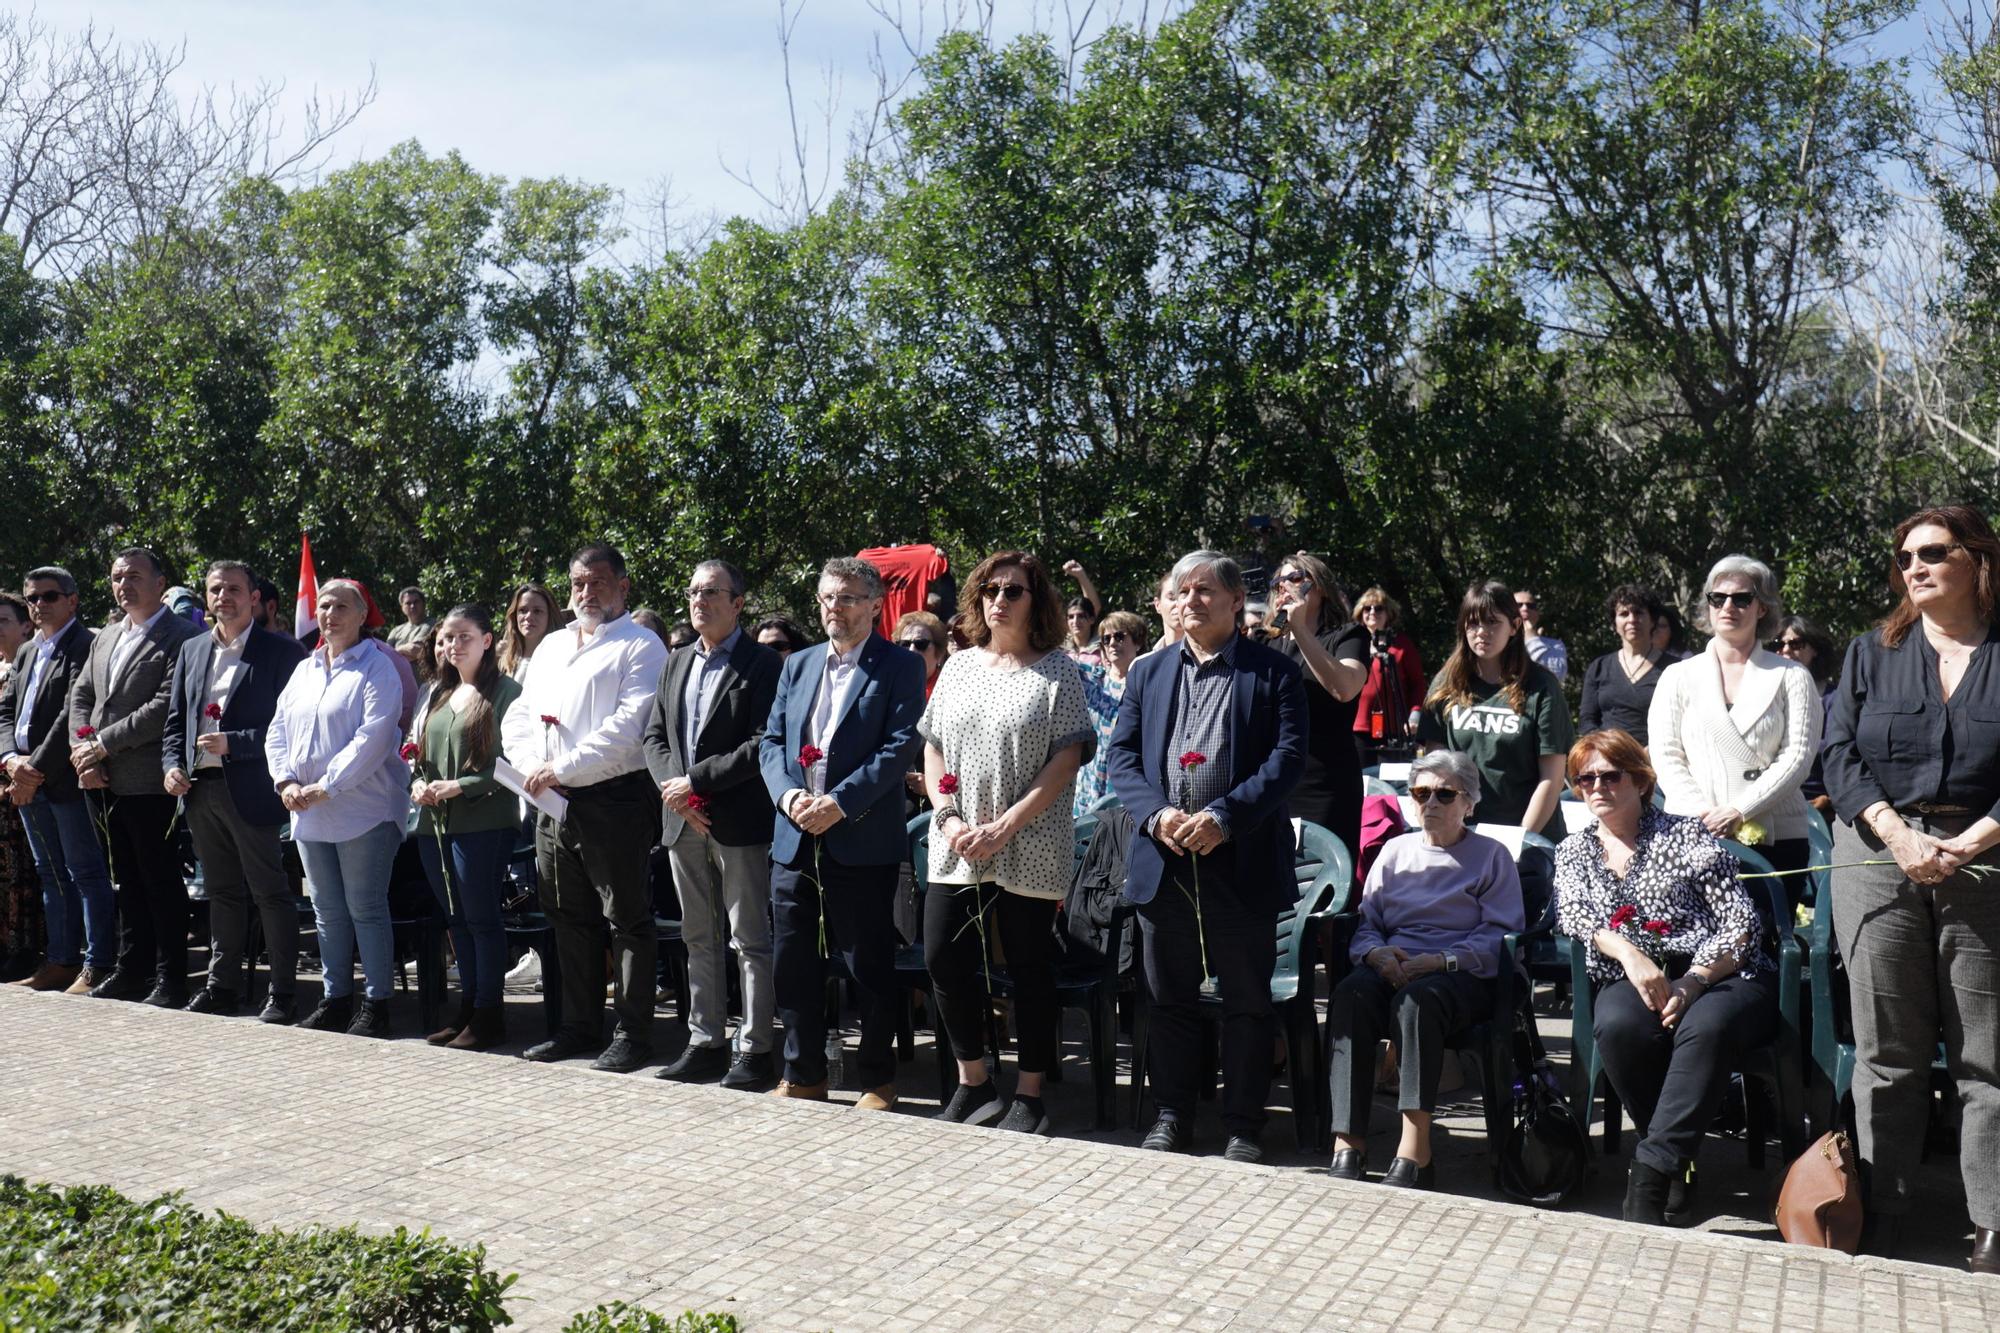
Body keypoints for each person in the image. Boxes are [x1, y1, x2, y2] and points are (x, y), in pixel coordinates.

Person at [1821, 504, 2000, 1272]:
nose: (1914, 566)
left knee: (1985, 1056)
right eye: (1904, 556)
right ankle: (1884, 1207)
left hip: (1983, 864)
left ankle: (1991, 1221)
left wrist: (1972, 840)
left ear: (1977, 558)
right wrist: (1897, 834)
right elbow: (1836, 754)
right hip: (1876, 861)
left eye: (1932, 551)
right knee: (1887, 1050)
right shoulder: (1871, 653)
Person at [1107, 550, 1306, 1163]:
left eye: (1204, 591)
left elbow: (1287, 760)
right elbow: (1123, 759)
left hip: (1238, 860)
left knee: (1247, 1001)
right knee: (1169, 997)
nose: (1191, 601)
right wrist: (1158, 814)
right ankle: (1172, 1115)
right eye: (1181, 591)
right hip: (1163, 860)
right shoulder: (1148, 672)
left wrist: (1224, 818)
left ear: (1231, 601)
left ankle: (1243, 1123)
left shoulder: (1274, 674)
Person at [1553, 728, 1776, 1226]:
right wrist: (1630, 955)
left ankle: (1652, 1174)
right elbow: (1575, 917)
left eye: (1609, 776)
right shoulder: (1573, 852)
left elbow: (1741, 925)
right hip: (1636, 976)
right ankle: (1676, 1161)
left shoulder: (1686, 835)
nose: (1595, 788)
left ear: (1640, 780)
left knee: (1706, 1027)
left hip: (1721, 973)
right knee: (1618, 1024)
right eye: (1583, 779)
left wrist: (1693, 981)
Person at [921, 552, 1092, 1134]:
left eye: (1013, 591)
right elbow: (932, 743)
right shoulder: (959, 665)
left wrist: (1008, 824)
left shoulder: (1058, 671)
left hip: (1031, 837)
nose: (999, 599)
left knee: (1028, 968)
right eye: (990, 589)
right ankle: (974, 1082)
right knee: (942, 953)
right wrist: (946, 818)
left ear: (1035, 600)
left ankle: (1031, 1094)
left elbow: (1067, 757)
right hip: (959, 838)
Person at [759, 556, 926, 1107]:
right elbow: (772, 744)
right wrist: (789, 796)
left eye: (849, 598)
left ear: (876, 606)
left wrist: (839, 803)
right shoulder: (798, 664)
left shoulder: (898, 666)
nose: (836, 608)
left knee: (867, 964)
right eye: (829, 597)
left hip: (861, 836)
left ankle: (876, 1079)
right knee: (793, 962)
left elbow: (900, 745)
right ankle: (804, 1073)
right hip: (795, 835)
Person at [500, 542, 669, 1072]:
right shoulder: (550, 646)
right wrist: (532, 765)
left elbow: (629, 728)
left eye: (598, 582)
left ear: (623, 587)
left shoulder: (641, 646)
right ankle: (577, 1026)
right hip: (549, 800)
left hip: (612, 800)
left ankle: (634, 1032)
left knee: (625, 919)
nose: (586, 592)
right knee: (567, 916)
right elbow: (521, 715)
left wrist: (563, 768)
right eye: (577, 582)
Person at [1328, 749, 1524, 1188]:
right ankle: (1348, 1143)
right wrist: (1375, 955)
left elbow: (1501, 935)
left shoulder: (1492, 857)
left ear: (1469, 803)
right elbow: (1367, 923)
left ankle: (1415, 1150)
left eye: (1444, 794)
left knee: (1416, 1004)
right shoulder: (1395, 852)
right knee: (1351, 996)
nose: (1431, 803)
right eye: (1421, 793)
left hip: (1462, 974)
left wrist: (1442, 960)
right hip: (1394, 965)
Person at [644, 560, 783, 1089]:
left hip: (737, 820)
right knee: (698, 935)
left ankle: (755, 1047)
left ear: (738, 603)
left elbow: (762, 743)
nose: (699, 600)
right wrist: (675, 792)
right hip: (683, 820)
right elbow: (655, 736)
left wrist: (695, 782)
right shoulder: (676, 661)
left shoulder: (763, 663)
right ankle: (705, 1041)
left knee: (749, 938)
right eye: (693, 591)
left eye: (712, 592)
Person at [163, 561, 308, 1021]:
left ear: (253, 598)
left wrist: (236, 743)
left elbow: (291, 728)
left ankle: (282, 992)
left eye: (233, 589)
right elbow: (175, 722)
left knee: (270, 892)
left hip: (251, 788)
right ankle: (220, 987)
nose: (223, 596)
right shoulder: (191, 649)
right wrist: (171, 766)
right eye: (215, 589)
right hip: (199, 789)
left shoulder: (281, 653)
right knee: (220, 892)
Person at [266, 579, 411, 1038]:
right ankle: (335, 998)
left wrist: (327, 786)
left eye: (341, 606)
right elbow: (278, 730)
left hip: (363, 809)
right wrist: (285, 780)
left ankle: (377, 1003)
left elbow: (374, 738)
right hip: (308, 810)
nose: (329, 614)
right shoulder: (304, 669)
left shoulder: (379, 667)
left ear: (362, 614)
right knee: (327, 911)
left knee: (365, 907)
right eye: (324, 606)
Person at [67, 548, 203, 1006]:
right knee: (124, 877)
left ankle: (171, 977)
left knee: (159, 879)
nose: (124, 585)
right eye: (117, 577)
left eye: (135, 576)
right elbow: (81, 693)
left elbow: (163, 705)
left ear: (161, 583)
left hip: (149, 779)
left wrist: (101, 744)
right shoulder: (105, 635)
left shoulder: (182, 637)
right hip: (102, 779)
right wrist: (84, 749)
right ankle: (133, 968)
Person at [1647, 555, 1821, 906]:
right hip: (1692, 832)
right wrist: (1705, 817)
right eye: (1718, 597)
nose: (1729, 606)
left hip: (1777, 839)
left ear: (1762, 608)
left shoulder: (1793, 677)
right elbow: (1666, 756)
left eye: (1742, 598)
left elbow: (1798, 757)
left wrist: (1739, 810)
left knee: (1767, 949)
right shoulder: (1677, 677)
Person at [409, 603, 523, 1051]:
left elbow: (512, 762)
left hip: (483, 820)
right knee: (456, 920)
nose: (453, 646)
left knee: (481, 918)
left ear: (488, 641)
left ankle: (489, 1014)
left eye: (464, 637)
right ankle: (468, 1007)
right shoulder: (439, 691)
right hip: (434, 823)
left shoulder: (507, 693)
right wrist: (419, 784)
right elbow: (418, 755)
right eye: (448, 638)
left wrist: (460, 785)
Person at [1, 567, 111, 993]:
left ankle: (96, 963)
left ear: (72, 600)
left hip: (63, 779)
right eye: (33, 598)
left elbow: (74, 714)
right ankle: (61, 961)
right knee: (50, 873)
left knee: (85, 872)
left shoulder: (87, 646)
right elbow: (6, 711)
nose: (39, 605)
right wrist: (11, 760)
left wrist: (34, 768)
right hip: (26, 777)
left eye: (49, 596)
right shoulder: (28, 651)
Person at [1417, 581, 1573, 837]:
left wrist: (1518, 841)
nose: (1481, 631)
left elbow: (1552, 780)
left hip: (1529, 839)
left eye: (1492, 622)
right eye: (1473, 623)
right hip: (1462, 837)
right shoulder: (1446, 683)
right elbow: (1435, 769)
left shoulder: (1541, 686)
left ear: (1514, 626)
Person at [1267, 552, 1369, 862]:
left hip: (1325, 786)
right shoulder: (1264, 643)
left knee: (1322, 887)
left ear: (1320, 586)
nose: (1286, 586)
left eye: (1296, 578)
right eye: (1278, 582)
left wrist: (1300, 629)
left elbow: (1345, 688)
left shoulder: (1348, 636)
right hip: (1271, 784)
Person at [0, 591, 43, 979]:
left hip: (21, 781)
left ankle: (23, 949)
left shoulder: (28, 669)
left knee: (22, 873)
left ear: (26, 625)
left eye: (4, 621)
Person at [1072, 610, 1143, 817]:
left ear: (1137, 643)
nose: (1112, 643)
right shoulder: (1094, 681)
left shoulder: (1144, 686)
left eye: (1120, 636)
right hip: (1089, 780)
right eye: (1106, 639)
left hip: (1123, 781)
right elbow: (1057, 658)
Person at [1578, 585, 1671, 744]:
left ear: (1653, 620)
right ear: (1614, 622)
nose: (1632, 619)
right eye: (1623, 614)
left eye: (1639, 612)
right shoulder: (1598, 668)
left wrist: (1653, 751)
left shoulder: (1674, 669)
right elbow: (1587, 721)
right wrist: (1606, 749)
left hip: (1655, 760)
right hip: (1606, 759)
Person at [1350, 587, 1425, 768]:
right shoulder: (1352, 642)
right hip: (1357, 727)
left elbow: (1418, 684)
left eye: (1379, 608)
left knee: (1389, 782)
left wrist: (1414, 716)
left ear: (1388, 613)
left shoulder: (1401, 644)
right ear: (1361, 613)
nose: (1373, 612)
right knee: (1360, 780)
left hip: (1393, 729)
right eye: (1367, 608)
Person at [1772, 614, 1839, 814]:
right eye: (1778, 643)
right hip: (1771, 801)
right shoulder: (1763, 696)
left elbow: (1839, 752)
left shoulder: (1834, 698)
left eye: (1795, 644)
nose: (1785, 650)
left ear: (1815, 650)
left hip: (1818, 803)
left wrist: (1829, 799)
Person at [499, 582, 560, 682]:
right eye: (523, 610)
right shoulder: (505, 660)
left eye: (537, 611)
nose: (529, 617)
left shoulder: (560, 659)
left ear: (550, 616)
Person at [1515, 588, 1568, 682]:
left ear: (1537, 613)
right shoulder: (1499, 642)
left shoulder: (1555, 646)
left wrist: (1532, 639)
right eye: (1519, 605)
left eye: (1530, 606)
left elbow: (1556, 677)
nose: (1525, 608)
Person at [1060, 559, 1104, 661]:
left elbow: (1094, 606)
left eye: (1081, 616)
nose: (1075, 621)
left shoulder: (1103, 648)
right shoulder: (1060, 649)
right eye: (1071, 617)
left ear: (1092, 619)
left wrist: (1081, 575)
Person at [387, 587, 434, 668]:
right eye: (408, 603)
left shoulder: (432, 624)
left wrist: (395, 652)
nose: (412, 606)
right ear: (402, 607)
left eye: (416, 602)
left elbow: (416, 650)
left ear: (424, 604)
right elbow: (386, 655)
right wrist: (404, 650)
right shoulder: (396, 630)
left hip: (423, 679)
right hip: (398, 679)